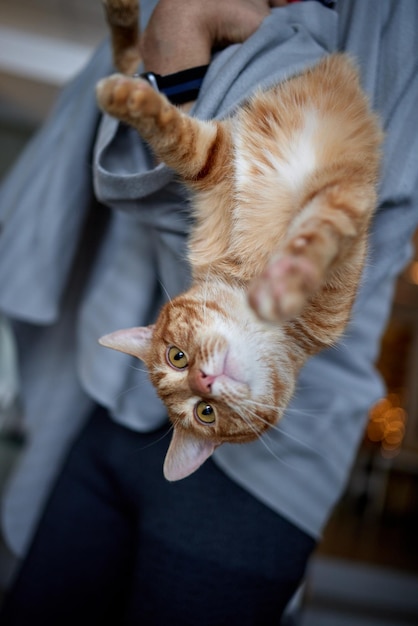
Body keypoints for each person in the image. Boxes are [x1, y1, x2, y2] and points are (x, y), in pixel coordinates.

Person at [0, 0, 417, 624]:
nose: (202, 379)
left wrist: (178, 68)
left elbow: (342, 181)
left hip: (261, 478)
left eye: (179, 365)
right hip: (114, 404)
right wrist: (176, 68)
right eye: (193, 383)